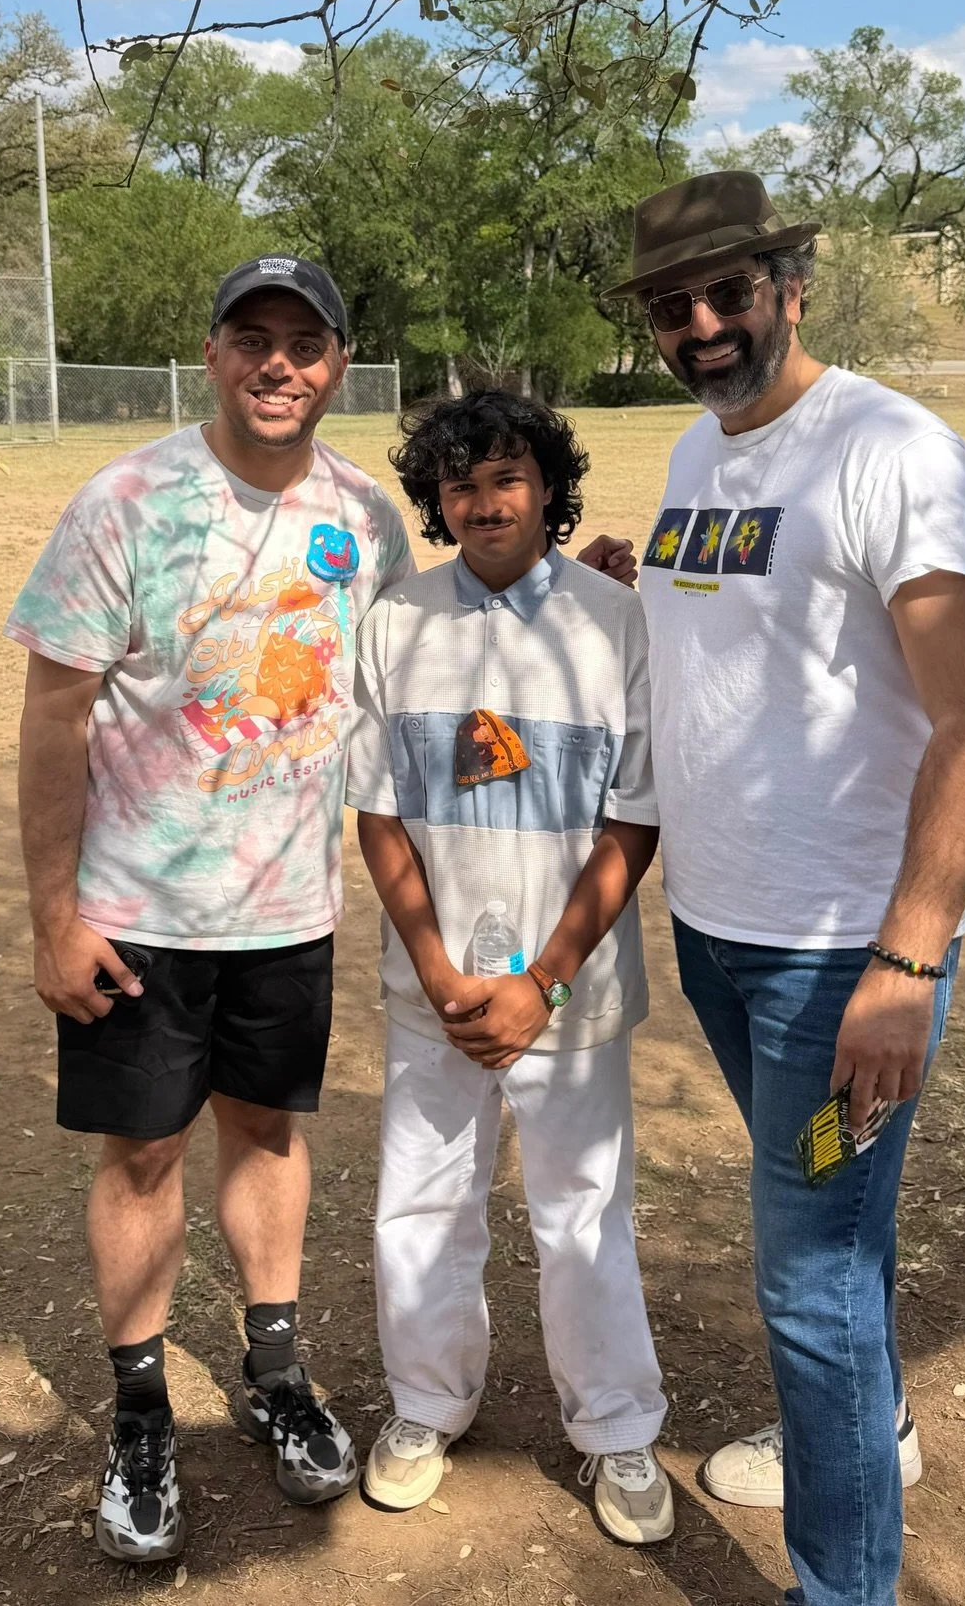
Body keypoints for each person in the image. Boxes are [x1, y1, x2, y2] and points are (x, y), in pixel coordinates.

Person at [605, 172, 965, 1606]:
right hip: (720, 936)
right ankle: (875, 1420)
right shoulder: (695, 452)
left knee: (810, 1276)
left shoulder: (898, 455)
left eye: (728, 292)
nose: (702, 325)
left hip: (841, 963)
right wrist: (628, 578)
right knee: (840, 1233)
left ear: (792, 285)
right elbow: (732, 625)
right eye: (673, 306)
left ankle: (844, 1588)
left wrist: (908, 960)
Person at [3, 256, 414, 1563]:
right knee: (140, 1157)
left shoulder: (367, 515)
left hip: (289, 910)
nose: (278, 362)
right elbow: (55, 713)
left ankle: (275, 1372)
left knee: (269, 1134)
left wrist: (589, 578)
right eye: (253, 337)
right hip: (138, 917)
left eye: (305, 341)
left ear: (338, 363)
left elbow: (421, 663)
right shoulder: (127, 501)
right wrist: (53, 916)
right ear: (213, 352)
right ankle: (140, 1412)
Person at [345, 390, 674, 1548]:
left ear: (549, 489)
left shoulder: (614, 620)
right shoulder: (396, 620)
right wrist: (437, 967)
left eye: (508, 478)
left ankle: (617, 1424)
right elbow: (379, 814)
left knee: (584, 1209)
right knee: (422, 1204)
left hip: (567, 996)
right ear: (436, 499)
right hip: (433, 995)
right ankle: (428, 1402)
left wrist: (547, 979)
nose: (484, 503)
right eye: (461, 483)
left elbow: (633, 820)